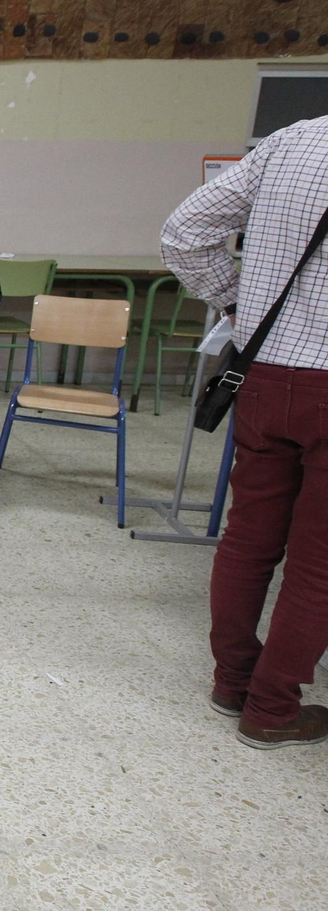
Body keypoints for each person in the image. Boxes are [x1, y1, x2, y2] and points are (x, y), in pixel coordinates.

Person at [161, 116, 328, 748]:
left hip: (266, 372)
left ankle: (233, 683)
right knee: (318, 563)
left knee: (248, 538)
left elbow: (183, 234)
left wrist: (242, 304)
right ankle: (274, 708)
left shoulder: (296, 140)